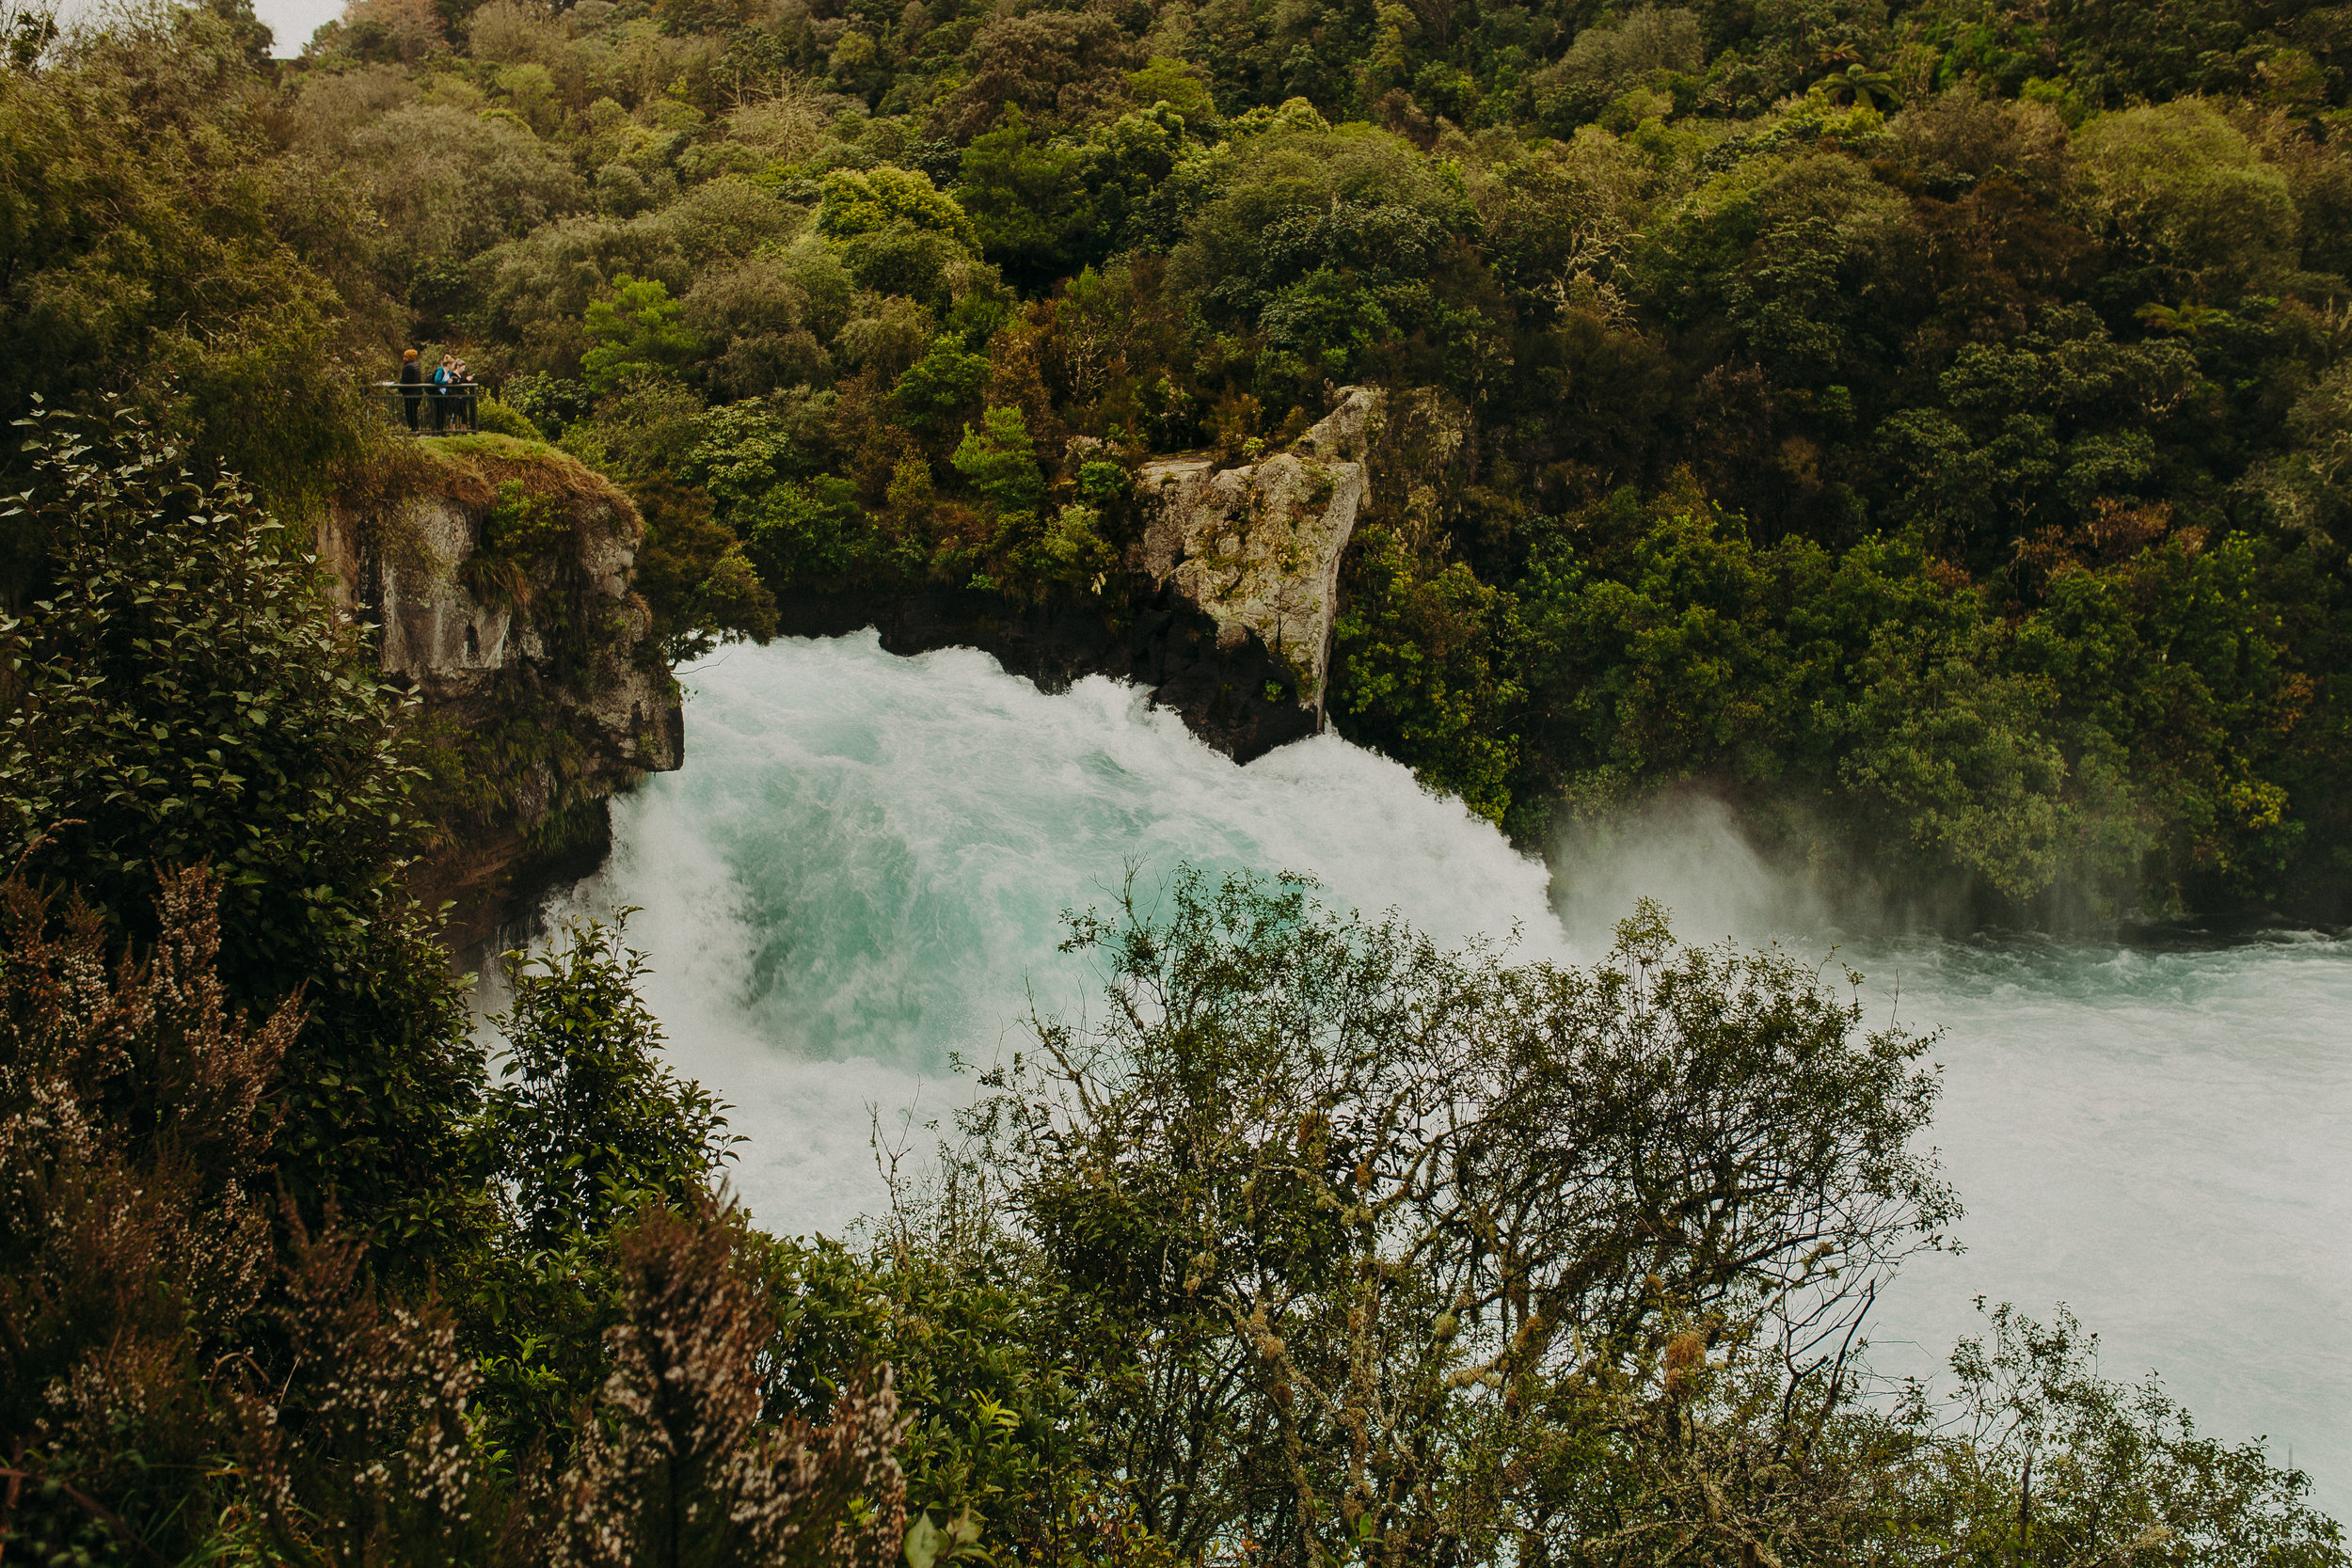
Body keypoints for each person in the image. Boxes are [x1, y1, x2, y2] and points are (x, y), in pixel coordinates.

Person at [398, 348, 423, 431]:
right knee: (414, 413)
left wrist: (400, 388)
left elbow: (405, 381)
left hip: (410, 394)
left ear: (408, 357)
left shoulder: (408, 367)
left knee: (410, 413)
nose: (403, 358)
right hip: (417, 393)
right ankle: (415, 428)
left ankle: (413, 429)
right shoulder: (416, 365)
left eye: (405, 356)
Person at [430, 354, 453, 433]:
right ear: (448, 364)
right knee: (439, 412)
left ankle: (441, 429)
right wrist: (446, 382)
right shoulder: (441, 370)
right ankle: (438, 429)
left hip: (444, 393)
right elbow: (437, 381)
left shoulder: (448, 373)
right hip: (438, 393)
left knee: (442, 412)